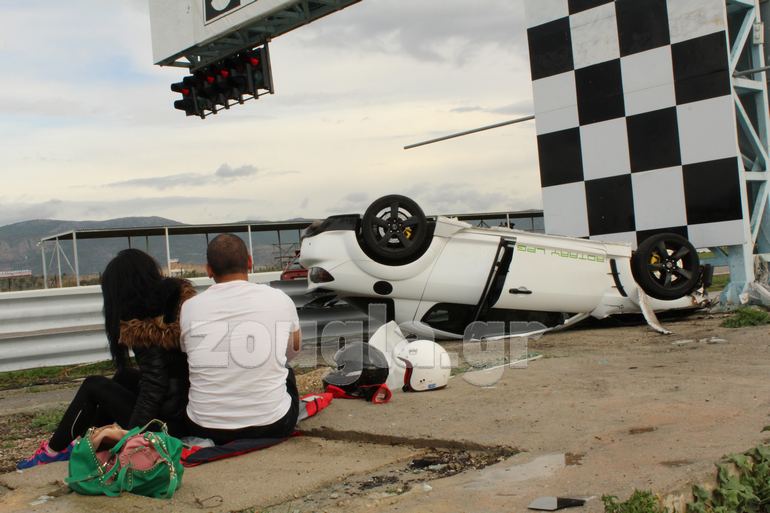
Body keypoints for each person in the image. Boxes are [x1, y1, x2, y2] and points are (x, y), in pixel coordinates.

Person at [17, 249, 196, 469]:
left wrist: (131, 439)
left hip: (169, 426)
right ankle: (86, 442)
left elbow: (154, 386)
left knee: (93, 385)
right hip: (188, 412)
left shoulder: (142, 324)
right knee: (124, 376)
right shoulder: (178, 304)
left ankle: (53, 451)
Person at [180, 233, 301, 445]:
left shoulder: (189, 307)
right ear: (250, 262)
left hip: (205, 427)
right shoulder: (280, 298)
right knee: (286, 370)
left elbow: (187, 354)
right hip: (273, 425)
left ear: (208, 270)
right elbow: (293, 350)